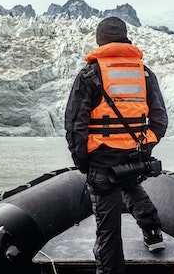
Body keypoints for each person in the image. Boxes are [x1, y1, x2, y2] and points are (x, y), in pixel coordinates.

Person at [65, 16, 168, 274]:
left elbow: (75, 125)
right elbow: (160, 119)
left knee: (108, 236)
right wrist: (144, 146)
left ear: (100, 41)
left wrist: (82, 162)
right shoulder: (144, 73)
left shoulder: (90, 74)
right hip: (135, 155)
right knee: (131, 184)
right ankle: (153, 231)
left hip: (102, 160)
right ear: (125, 38)